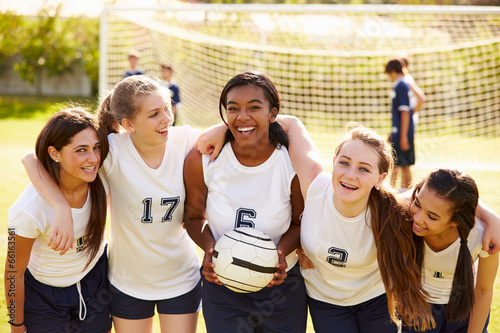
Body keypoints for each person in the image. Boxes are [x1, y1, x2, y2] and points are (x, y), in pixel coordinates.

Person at [22, 76, 209, 333]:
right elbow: (32, 159)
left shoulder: (187, 140)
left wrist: (221, 130)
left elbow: (245, 130)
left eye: (168, 107)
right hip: (127, 281)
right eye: (154, 114)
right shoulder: (112, 149)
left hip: (180, 276)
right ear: (128, 124)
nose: (166, 118)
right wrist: (61, 207)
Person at [183, 71, 308, 333]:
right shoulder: (203, 160)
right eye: (233, 108)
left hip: (280, 289)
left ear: (273, 114)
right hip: (223, 286)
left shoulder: (291, 163)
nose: (242, 116)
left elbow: (300, 223)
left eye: (254, 107)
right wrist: (209, 249)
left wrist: (280, 254)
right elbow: (194, 218)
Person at [295, 123, 434, 332]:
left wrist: (491, 219)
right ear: (333, 163)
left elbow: (450, 192)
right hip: (326, 300)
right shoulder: (314, 187)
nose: (350, 175)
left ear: (380, 178)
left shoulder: (393, 209)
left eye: (363, 169)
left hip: (375, 299)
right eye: (344, 163)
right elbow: (292, 124)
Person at [5, 108, 111, 333]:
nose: (93, 158)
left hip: (95, 281)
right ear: (55, 154)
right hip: (45, 297)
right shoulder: (28, 209)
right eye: (81, 150)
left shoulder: (101, 176)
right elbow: (13, 272)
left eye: (96, 147)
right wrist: (16, 327)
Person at [403, 169, 499, 332]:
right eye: (418, 204)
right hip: (418, 308)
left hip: (464, 309)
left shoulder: (482, 235)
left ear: (456, 220)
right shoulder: (403, 215)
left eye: (432, 217)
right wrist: (492, 215)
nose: (418, 218)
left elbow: (483, 290)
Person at [385, 58, 415, 192]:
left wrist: (403, 136)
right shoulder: (401, 85)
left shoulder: (401, 85)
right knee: (396, 164)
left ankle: (407, 193)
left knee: (404, 165)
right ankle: (393, 190)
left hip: (403, 133)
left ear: (392, 71)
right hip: (398, 132)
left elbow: (405, 112)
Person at [400, 57, 427, 127]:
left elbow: (421, 99)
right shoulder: (402, 80)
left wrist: (409, 115)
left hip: (407, 122)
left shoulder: (406, 81)